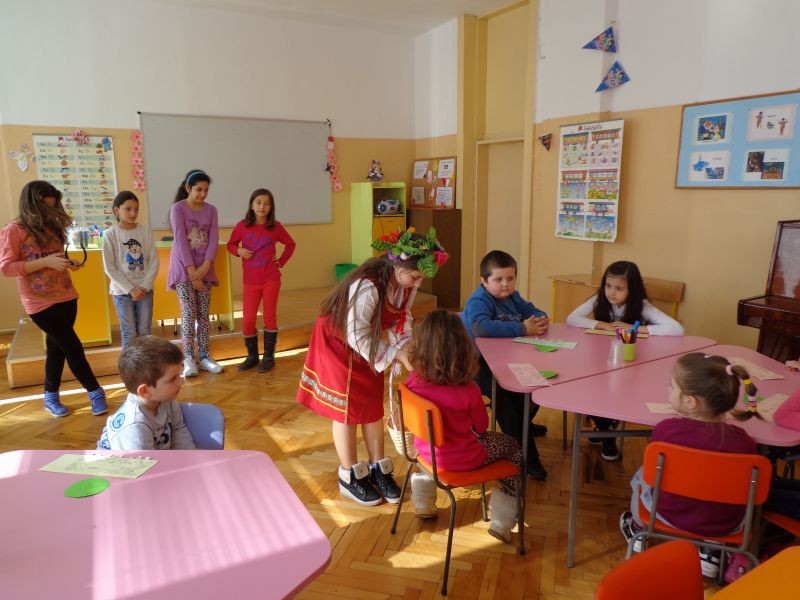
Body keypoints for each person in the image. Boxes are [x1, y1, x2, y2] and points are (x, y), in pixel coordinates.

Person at [297, 226, 448, 506]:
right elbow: (356, 334)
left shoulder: (405, 285)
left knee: (371, 405)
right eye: (415, 276)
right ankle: (349, 475)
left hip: (367, 342)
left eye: (421, 278)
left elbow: (401, 318)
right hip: (338, 342)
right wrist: (394, 353)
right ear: (398, 266)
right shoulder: (368, 286)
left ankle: (378, 467)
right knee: (346, 410)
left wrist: (406, 347)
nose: (418, 284)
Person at [619, 353, 759, 578]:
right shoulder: (745, 443)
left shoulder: (666, 431)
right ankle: (712, 550)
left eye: (672, 386)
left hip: (666, 514)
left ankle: (638, 530)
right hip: (725, 524)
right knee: (718, 485)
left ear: (690, 402)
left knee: (641, 474)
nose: (668, 389)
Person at [406, 309, 523, 543]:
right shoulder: (469, 389)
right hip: (464, 459)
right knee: (513, 448)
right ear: (462, 348)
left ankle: (423, 502)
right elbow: (481, 427)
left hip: (425, 454)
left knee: (431, 440)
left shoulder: (412, 381)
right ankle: (501, 522)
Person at [0, 180, 107, 418]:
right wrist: (45, 262)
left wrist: (68, 263)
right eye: (45, 208)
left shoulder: (52, 226)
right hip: (39, 303)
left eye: (53, 207)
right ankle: (95, 392)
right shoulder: (13, 230)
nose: (50, 212)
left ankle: (50, 397)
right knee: (72, 346)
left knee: (57, 347)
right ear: (32, 205)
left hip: (67, 295)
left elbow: (54, 257)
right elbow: (6, 268)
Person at [566, 260, 684, 460]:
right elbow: (571, 318)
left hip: (630, 362)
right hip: (599, 361)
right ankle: (606, 430)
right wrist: (601, 324)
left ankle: (605, 430)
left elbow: (677, 329)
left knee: (618, 394)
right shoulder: (598, 299)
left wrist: (636, 329)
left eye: (619, 288)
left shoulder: (641, 306)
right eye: (608, 286)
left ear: (633, 289)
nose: (611, 293)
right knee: (590, 391)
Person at [463, 250, 550, 480]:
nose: (505, 284)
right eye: (498, 279)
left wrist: (540, 317)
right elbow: (481, 327)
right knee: (504, 395)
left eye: (510, 278)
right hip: (476, 364)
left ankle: (523, 426)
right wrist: (523, 328)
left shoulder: (513, 297)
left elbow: (531, 310)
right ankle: (528, 457)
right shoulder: (479, 300)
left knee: (534, 383)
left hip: (506, 359)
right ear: (484, 281)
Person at [226, 188, 296, 372]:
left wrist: (281, 261)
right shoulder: (242, 226)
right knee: (248, 320)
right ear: (251, 204)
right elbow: (230, 245)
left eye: (267, 203)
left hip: (271, 279)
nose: (262, 207)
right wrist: (239, 251)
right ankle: (252, 356)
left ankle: (269, 357)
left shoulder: (276, 227)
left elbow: (290, 244)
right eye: (258, 202)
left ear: (271, 207)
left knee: (269, 317)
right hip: (250, 281)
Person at [168, 169, 223, 378]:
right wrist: (192, 272)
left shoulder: (212, 210)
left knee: (203, 316)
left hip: (204, 269)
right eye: (198, 189)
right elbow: (181, 240)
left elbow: (214, 239)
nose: (202, 194)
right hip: (184, 270)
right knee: (189, 314)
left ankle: (205, 356)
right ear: (188, 188)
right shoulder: (178, 209)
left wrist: (205, 268)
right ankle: (189, 358)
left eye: (206, 190)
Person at [97, 335, 196, 450]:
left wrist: (192, 457)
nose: (181, 381)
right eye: (172, 378)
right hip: (124, 460)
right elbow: (142, 461)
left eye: (179, 374)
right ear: (145, 391)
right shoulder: (135, 428)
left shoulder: (167, 400)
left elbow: (178, 428)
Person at [101, 191, 159, 349]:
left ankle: (145, 363)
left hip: (145, 291)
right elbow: (109, 267)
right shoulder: (110, 234)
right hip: (122, 292)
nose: (133, 213)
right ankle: (129, 364)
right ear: (116, 210)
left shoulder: (145, 231)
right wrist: (131, 289)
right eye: (128, 209)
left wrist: (145, 286)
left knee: (145, 331)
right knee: (129, 332)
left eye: (136, 209)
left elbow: (154, 260)